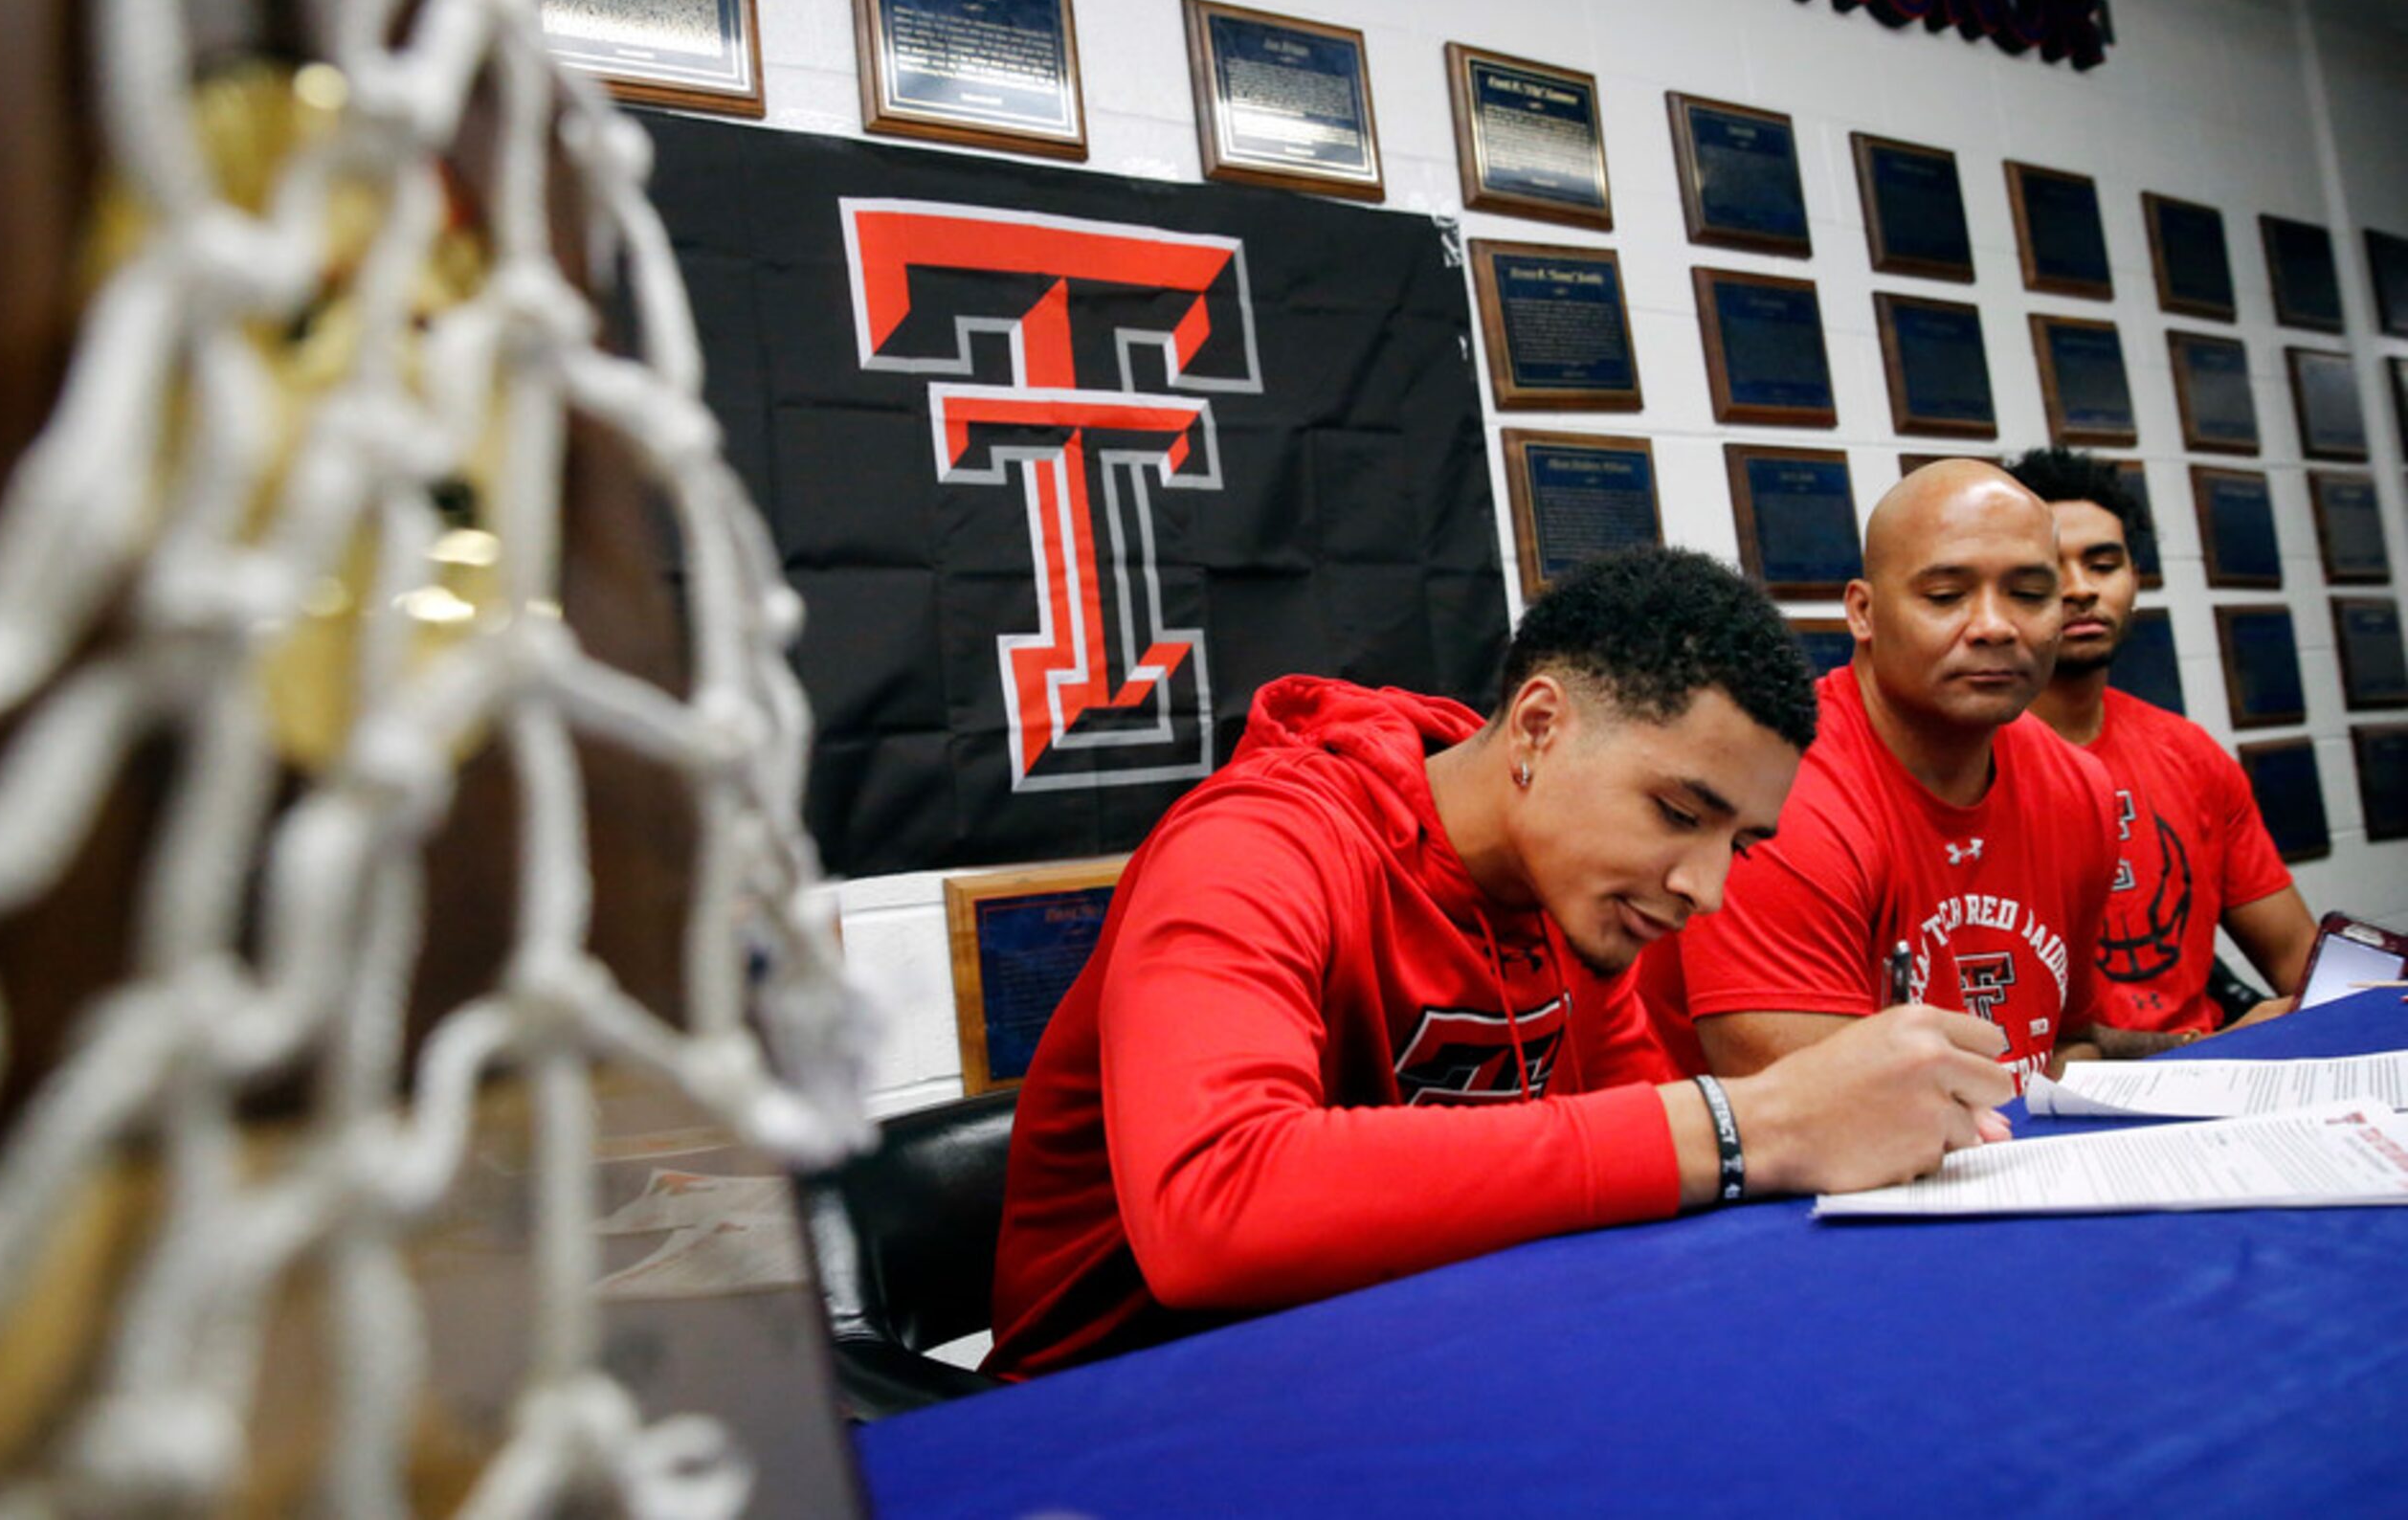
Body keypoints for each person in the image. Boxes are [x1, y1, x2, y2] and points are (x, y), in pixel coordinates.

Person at [986, 547, 2020, 1378]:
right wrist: (1754, 1120)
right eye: (1677, 814)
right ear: (1538, 727)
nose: (1705, 887)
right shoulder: (1257, 847)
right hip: (1122, 1407)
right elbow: (1213, 1209)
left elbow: (1653, 1179)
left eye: (1740, 843)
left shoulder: (1578, 904)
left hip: (1392, 1357)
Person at [1634, 459, 2119, 1087]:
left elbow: (2064, 1044)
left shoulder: (2080, 788)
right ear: (1863, 613)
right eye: (1946, 596)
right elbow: (1817, 1113)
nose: (1995, 626)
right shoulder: (1779, 797)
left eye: (2029, 594)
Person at [2002, 447, 2314, 1046]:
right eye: (2048, 569)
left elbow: (2300, 959)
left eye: (2102, 564)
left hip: (2208, 1087)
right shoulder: (1966, 764)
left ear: (2134, 582)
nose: (2080, 590)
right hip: (2046, 1096)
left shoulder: (2190, 755)